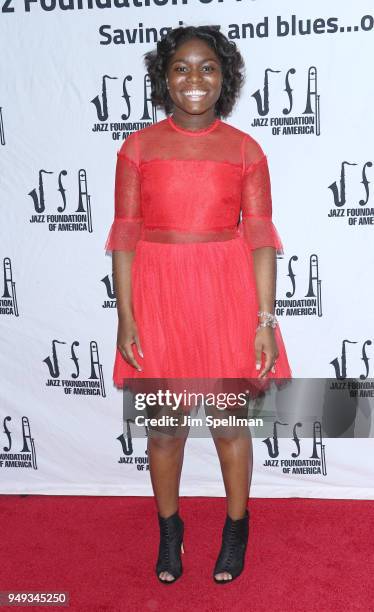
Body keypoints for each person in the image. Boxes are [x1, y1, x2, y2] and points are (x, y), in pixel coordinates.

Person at [104, 25, 292, 584]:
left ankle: (237, 527)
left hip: (226, 300)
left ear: (224, 77)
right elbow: (125, 235)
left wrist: (264, 321)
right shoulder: (136, 148)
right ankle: (170, 531)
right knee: (165, 431)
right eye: (181, 67)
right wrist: (127, 316)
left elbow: (260, 238)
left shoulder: (245, 149)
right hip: (159, 300)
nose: (194, 79)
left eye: (207, 67)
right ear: (164, 77)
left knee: (229, 427)